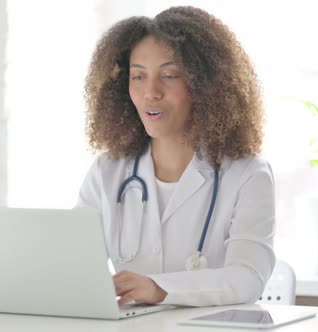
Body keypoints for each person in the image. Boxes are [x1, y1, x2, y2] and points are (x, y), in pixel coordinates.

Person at [77, 6, 275, 307]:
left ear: (205, 85)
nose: (151, 92)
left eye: (169, 75)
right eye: (138, 76)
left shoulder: (248, 174)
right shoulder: (107, 172)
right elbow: (72, 267)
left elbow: (247, 277)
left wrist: (159, 288)